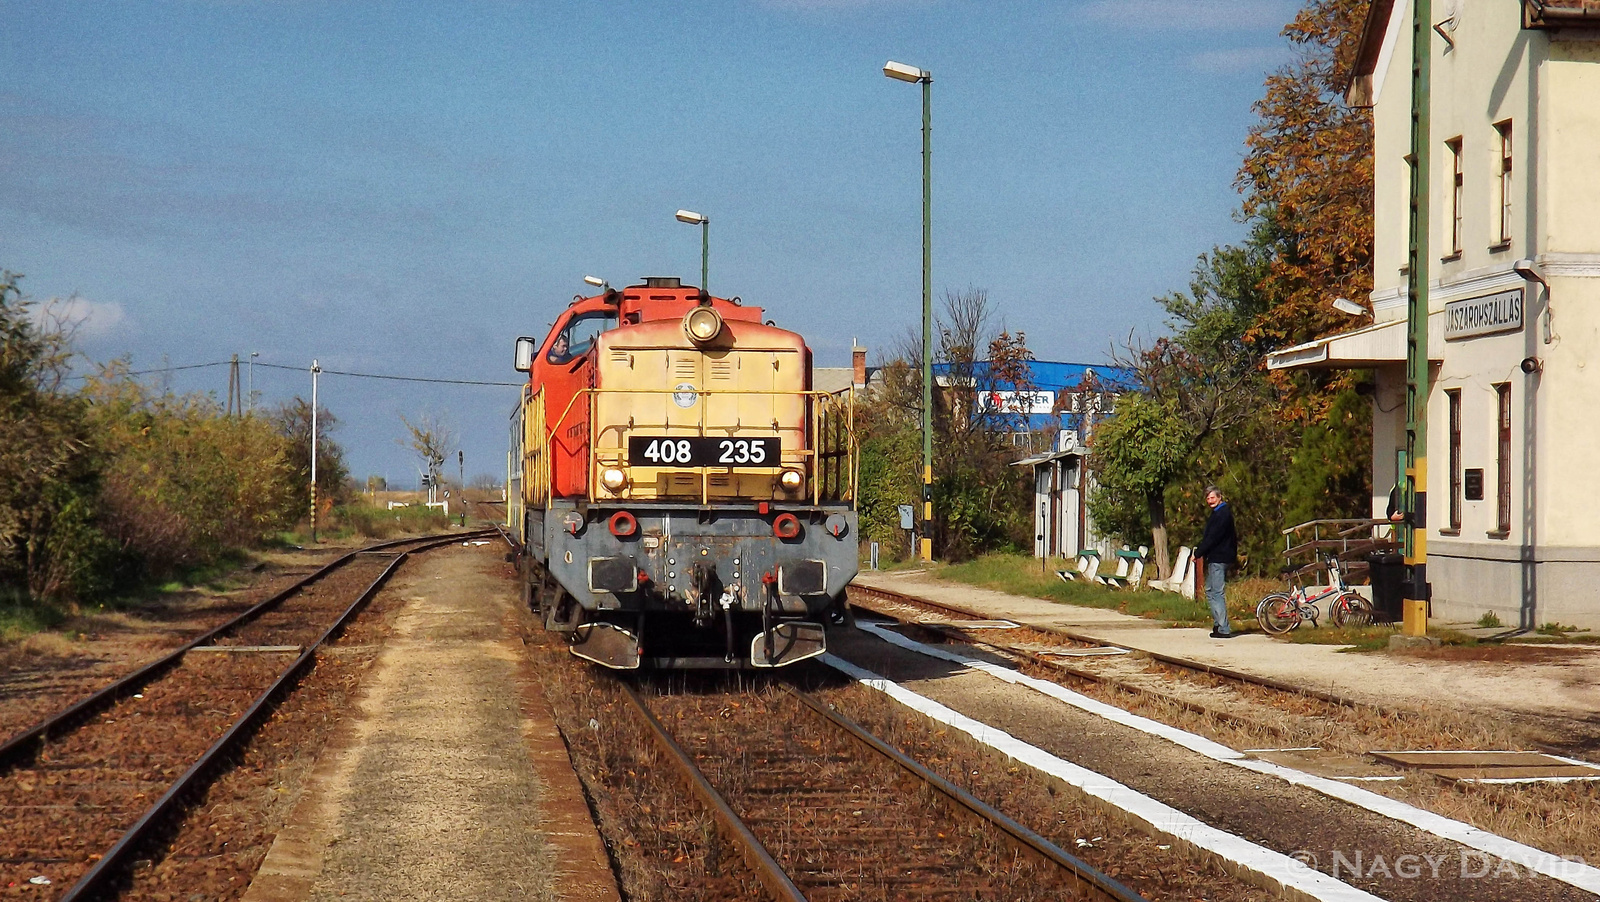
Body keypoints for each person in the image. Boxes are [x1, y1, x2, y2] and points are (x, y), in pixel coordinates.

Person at [1193, 485, 1237, 639]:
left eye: (1212, 497)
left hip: (1220, 557)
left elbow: (1213, 537)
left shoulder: (1222, 514)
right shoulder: (1217, 513)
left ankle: (1224, 628)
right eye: (1208, 498)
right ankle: (1218, 624)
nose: (1210, 501)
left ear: (1219, 497)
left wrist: (1198, 553)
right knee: (1210, 591)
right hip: (1216, 557)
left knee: (1216, 592)